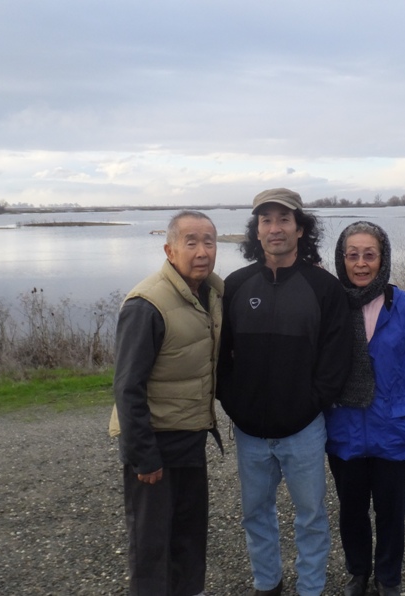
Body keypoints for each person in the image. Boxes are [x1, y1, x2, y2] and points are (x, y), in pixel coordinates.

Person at [217, 188, 352, 596]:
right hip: (250, 432)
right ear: (256, 231)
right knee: (255, 513)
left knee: (310, 516)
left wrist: (312, 403)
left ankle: (311, 588)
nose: (274, 229)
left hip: (304, 430)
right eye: (266, 221)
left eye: (283, 220)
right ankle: (267, 584)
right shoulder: (236, 285)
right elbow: (221, 356)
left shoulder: (324, 288)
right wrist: (234, 403)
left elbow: (336, 357)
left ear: (300, 228)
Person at [108, 210, 224, 596]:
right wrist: (143, 456)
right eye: (191, 242)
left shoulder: (212, 293)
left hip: (190, 436)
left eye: (209, 241)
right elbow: (127, 387)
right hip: (155, 443)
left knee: (189, 536)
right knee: (151, 544)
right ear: (170, 250)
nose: (202, 250)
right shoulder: (147, 304)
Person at [324, 221, 405, 596]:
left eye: (369, 255)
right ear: (342, 259)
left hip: (394, 432)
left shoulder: (404, 306)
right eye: (352, 255)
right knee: (352, 512)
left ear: (383, 258)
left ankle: (388, 578)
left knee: (391, 514)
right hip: (344, 433)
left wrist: (401, 399)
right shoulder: (331, 306)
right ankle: (358, 573)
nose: (360, 264)